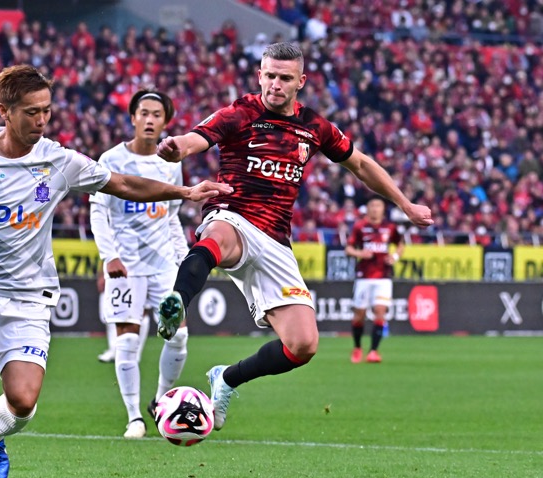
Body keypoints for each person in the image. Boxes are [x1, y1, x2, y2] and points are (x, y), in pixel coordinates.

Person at [0, 64, 231, 478]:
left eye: (47, 111)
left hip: (28, 297)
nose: (41, 121)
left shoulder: (58, 160)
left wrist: (184, 192)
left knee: (23, 402)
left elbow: (120, 183)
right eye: (31, 113)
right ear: (4, 111)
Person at [155, 42, 432, 431]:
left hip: (276, 241)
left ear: (300, 82)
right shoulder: (240, 112)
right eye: (269, 75)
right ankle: (177, 304)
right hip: (233, 213)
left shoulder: (314, 126)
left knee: (303, 346)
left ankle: (227, 378)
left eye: (285, 78)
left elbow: (361, 164)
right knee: (218, 237)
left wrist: (405, 205)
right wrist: (174, 149)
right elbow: (194, 139)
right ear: (259, 76)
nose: (275, 84)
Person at [90, 89, 190, 438]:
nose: (149, 120)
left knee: (179, 337)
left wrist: (184, 257)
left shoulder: (171, 163)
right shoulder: (111, 159)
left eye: (156, 115)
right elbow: (98, 211)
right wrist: (109, 257)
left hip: (164, 265)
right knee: (127, 342)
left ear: (166, 121)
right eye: (143, 113)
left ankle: (160, 401)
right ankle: (134, 417)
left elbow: (172, 215)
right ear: (132, 118)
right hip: (126, 267)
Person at [345, 197, 403, 364]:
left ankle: (373, 351)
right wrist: (359, 254)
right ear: (368, 208)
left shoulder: (390, 227)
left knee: (380, 312)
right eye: (372, 205)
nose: (375, 209)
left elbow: (400, 244)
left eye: (379, 206)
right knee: (359, 316)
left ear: (383, 209)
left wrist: (395, 256)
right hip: (364, 276)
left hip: (384, 277)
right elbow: (348, 248)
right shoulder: (359, 227)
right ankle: (357, 348)